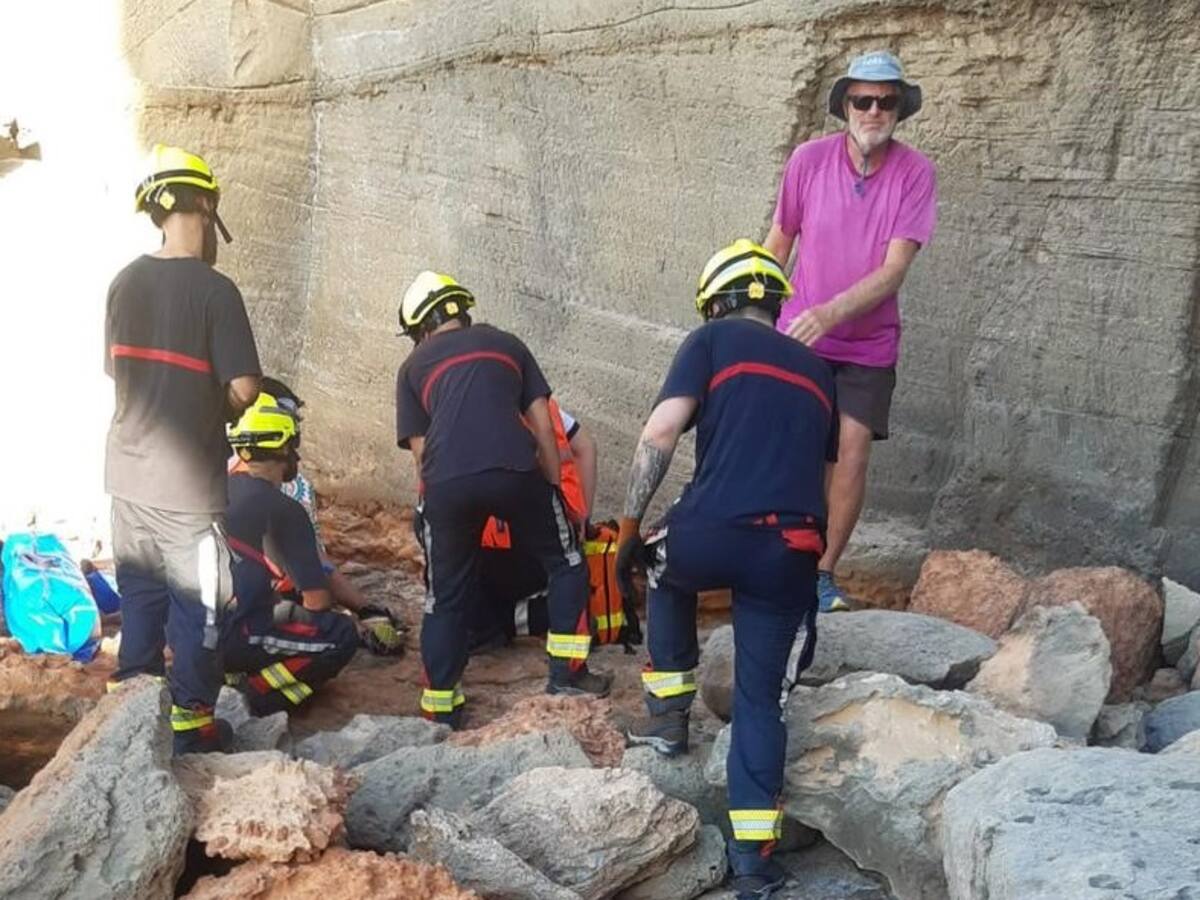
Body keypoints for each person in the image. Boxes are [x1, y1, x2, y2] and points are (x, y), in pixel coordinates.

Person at [618, 240, 837, 899]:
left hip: (709, 533)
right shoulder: (819, 371)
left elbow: (660, 434)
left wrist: (629, 532)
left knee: (661, 565)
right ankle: (754, 866)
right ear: (775, 305)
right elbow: (826, 478)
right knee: (762, 702)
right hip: (790, 546)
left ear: (715, 304)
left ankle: (668, 722)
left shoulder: (709, 342)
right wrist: (817, 555)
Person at [395, 270, 610, 728]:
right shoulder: (507, 344)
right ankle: (567, 675)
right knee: (567, 561)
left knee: (444, 597)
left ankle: (440, 706)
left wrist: (435, 512)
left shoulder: (412, 368)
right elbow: (543, 425)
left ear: (421, 329)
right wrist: (552, 489)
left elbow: (422, 453)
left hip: (446, 484)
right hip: (516, 469)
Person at [762, 50, 936, 612]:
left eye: (886, 101)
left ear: (899, 109)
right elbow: (780, 240)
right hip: (798, 333)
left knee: (852, 451)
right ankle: (780, 560)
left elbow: (894, 270)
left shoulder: (915, 172)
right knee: (795, 450)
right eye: (863, 100)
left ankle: (821, 573)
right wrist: (754, 314)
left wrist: (831, 314)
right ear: (845, 106)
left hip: (867, 343)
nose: (874, 111)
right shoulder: (809, 160)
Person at [104, 144, 260, 754]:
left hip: (126, 477)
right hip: (187, 488)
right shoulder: (216, 291)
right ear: (203, 206)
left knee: (140, 597)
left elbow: (118, 371)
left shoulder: (123, 283)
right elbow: (245, 387)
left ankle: (129, 725)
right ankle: (193, 727)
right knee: (203, 605)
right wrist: (220, 403)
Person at [220, 393, 369, 715]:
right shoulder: (284, 508)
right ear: (284, 448)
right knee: (340, 635)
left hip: (188, 628)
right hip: (235, 633)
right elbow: (317, 600)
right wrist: (359, 616)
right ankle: (258, 696)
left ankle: (230, 674)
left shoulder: (213, 489)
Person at [233, 375, 402, 653]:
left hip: (198, 615)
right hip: (259, 612)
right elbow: (315, 577)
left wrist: (364, 608)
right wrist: (358, 621)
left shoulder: (214, 474)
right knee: (338, 634)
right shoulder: (292, 488)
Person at [470, 400, 596, 652]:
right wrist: (583, 517)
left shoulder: (468, 407)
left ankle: (498, 624)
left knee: (452, 592)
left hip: (497, 552)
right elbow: (586, 447)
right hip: (553, 548)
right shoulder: (544, 406)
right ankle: (558, 615)